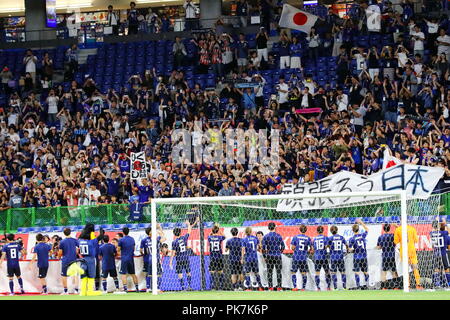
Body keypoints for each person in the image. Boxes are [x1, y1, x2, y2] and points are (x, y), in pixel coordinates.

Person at [170, 218, 197, 290]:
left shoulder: (174, 242)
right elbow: (189, 231)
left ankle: (183, 287)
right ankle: (190, 286)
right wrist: (188, 224)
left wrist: (170, 262)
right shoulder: (184, 238)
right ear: (181, 232)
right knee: (188, 272)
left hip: (179, 259)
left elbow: (173, 253)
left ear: (174, 234)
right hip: (186, 258)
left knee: (180, 273)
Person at [393, 223, 422, 289]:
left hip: (403, 252)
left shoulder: (398, 229)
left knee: (406, 269)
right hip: (412, 250)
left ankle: (407, 285)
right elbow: (416, 240)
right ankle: (418, 284)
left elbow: (395, 241)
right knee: (415, 268)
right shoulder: (412, 228)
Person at [77, 225, 103, 296]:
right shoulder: (92, 242)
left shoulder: (79, 241)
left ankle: (83, 292)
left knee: (84, 275)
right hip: (90, 259)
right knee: (91, 275)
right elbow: (101, 236)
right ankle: (90, 291)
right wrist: (101, 230)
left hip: (83, 259)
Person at [141, 225, 166, 292]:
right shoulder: (156, 239)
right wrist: (159, 228)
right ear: (150, 233)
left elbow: (142, 250)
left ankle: (148, 288)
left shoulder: (145, 240)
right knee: (159, 273)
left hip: (150, 258)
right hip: (156, 258)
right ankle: (157, 288)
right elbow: (164, 238)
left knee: (149, 274)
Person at [262, 222, 285, 291]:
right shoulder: (279, 236)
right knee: (278, 272)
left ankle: (270, 287)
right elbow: (283, 246)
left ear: (268, 228)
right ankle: (279, 287)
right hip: (277, 256)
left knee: (269, 272)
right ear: (275, 227)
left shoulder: (266, 236)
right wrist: (279, 252)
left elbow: (263, 247)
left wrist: (265, 256)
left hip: (269, 256)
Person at [348, 219, 370, 289]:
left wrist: (353, 250)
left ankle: (358, 286)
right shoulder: (362, 235)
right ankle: (367, 285)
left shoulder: (352, 239)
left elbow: (349, 249)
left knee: (357, 272)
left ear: (352, 230)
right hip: (364, 257)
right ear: (358, 229)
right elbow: (367, 229)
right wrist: (361, 222)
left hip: (357, 257)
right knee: (365, 271)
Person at [376, 224, 399, 289]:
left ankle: (384, 287)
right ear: (389, 228)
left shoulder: (381, 237)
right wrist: (396, 226)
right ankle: (396, 286)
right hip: (392, 256)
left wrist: (374, 248)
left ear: (383, 229)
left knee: (384, 272)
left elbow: (379, 247)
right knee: (394, 272)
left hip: (385, 256)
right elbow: (399, 230)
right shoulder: (393, 235)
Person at [118, 227, 140, 293]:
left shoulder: (121, 240)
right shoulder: (132, 239)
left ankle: (125, 289)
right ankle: (137, 288)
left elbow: (118, 249)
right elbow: (133, 248)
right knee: (133, 274)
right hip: (131, 258)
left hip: (124, 258)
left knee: (123, 274)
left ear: (123, 232)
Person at [429, 219, 450, 288]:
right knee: (446, 268)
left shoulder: (431, 234)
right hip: (443, 253)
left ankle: (437, 284)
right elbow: (448, 232)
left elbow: (432, 245)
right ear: (438, 225)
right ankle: (447, 283)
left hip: (435, 253)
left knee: (436, 269)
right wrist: (445, 223)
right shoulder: (443, 233)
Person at [290, 224, 311, 291]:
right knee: (304, 273)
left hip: (296, 257)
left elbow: (292, 247)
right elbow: (312, 249)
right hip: (303, 258)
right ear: (306, 230)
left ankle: (295, 287)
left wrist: (296, 249)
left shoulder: (295, 237)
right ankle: (303, 288)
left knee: (293, 272)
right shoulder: (308, 238)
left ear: (300, 230)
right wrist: (306, 251)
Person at [241, 227, 263, 291]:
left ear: (245, 232)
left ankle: (248, 287)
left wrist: (242, 258)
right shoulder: (255, 238)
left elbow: (243, 249)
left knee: (248, 273)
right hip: (255, 258)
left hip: (248, 258)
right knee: (257, 273)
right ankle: (260, 287)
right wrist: (260, 242)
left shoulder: (244, 239)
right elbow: (260, 246)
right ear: (251, 231)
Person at [58, 227, 79, 294]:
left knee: (64, 275)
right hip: (73, 259)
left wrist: (59, 257)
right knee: (75, 274)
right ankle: (76, 290)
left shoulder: (62, 242)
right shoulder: (75, 240)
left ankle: (65, 290)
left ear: (64, 233)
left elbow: (60, 252)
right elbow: (78, 249)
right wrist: (75, 252)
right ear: (70, 232)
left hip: (65, 260)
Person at [327, 225, 348, 290]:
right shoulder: (341, 237)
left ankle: (335, 288)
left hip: (333, 257)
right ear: (337, 230)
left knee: (333, 272)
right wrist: (347, 251)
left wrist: (330, 247)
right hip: (340, 257)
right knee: (343, 272)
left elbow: (327, 246)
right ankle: (344, 287)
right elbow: (347, 244)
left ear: (331, 231)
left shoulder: (330, 238)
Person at [312, 225, 331, 291]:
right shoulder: (325, 238)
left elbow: (313, 249)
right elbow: (326, 246)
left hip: (317, 257)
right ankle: (328, 287)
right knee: (327, 272)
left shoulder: (314, 239)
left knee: (317, 273)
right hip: (324, 257)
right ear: (323, 231)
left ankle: (318, 288)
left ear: (317, 231)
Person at [208, 224, 225, 290]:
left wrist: (213, 231)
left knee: (211, 271)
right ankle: (221, 286)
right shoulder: (220, 237)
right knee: (220, 271)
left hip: (212, 257)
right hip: (219, 257)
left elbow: (210, 234)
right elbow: (224, 236)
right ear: (217, 231)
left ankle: (212, 286)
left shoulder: (209, 237)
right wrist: (219, 230)